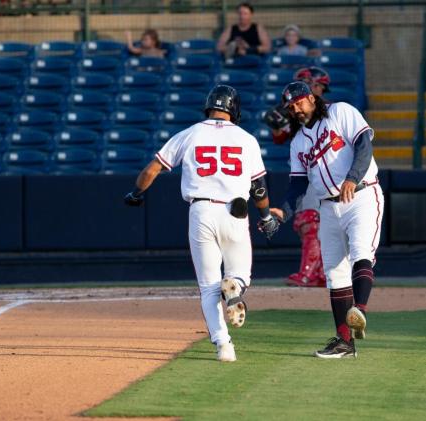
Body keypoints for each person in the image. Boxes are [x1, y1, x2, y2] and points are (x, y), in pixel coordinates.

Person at [124, 85, 280, 362]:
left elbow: (153, 169)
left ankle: (224, 346)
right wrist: (266, 216)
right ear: (234, 108)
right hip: (235, 210)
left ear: (209, 106)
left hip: (201, 210)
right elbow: (258, 187)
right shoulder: (247, 139)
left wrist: (136, 194)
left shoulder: (190, 133)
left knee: (208, 286)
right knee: (241, 274)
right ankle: (235, 286)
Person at [270, 82, 383, 358]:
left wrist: (352, 177)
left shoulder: (340, 112)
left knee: (360, 253)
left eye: (299, 102)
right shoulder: (298, 142)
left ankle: (360, 312)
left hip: (361, 194)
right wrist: (283, 212)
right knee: (334, 274)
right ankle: (345, 342)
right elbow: (297, 186)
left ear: (311, 98)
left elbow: (364, 145)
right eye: (291, 106)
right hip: (328, 207)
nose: (296, 109)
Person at [262, 67, 332, 288]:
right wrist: (276, 125)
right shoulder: (294, 114)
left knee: (312, 221)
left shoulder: (330, 111)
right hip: (306, 172)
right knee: (307, 221)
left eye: (315, 85)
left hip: (325, 172)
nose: (316, 89)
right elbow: (280, 138)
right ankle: (320, 273)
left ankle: (311, 273)